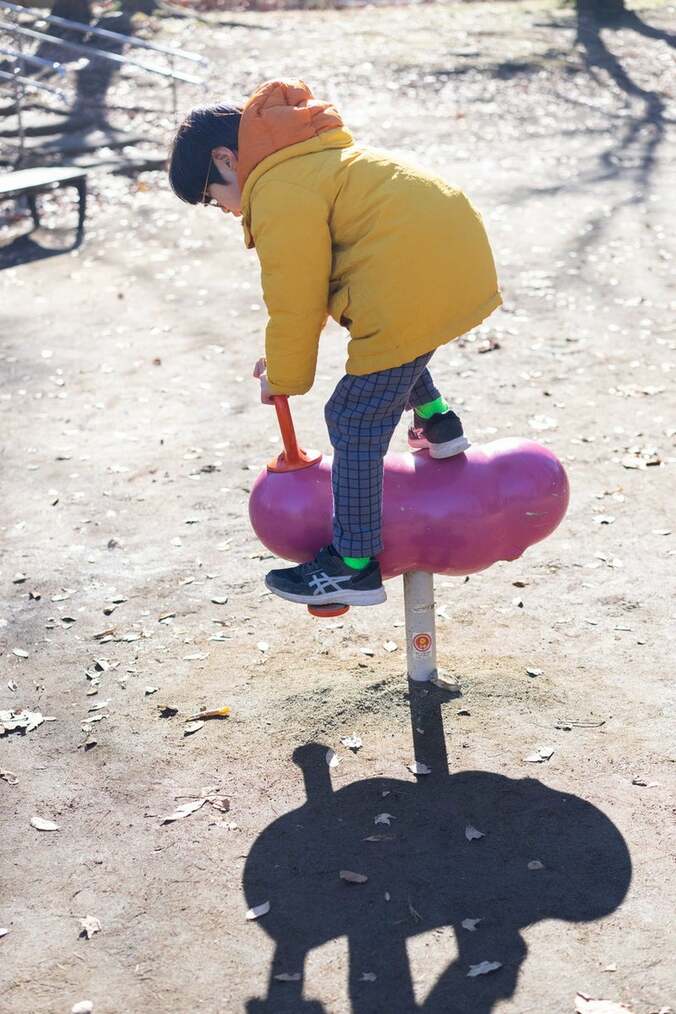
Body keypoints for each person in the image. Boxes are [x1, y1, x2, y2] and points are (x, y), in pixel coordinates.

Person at [168, 79, 501, 608]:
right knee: (382, 344)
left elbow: (296, 296)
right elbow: (327, 293)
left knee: (353, 415)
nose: (229, 211)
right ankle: (438, 422)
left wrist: (284, 377)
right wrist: (281, 356)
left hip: (409, 283)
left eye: (214, 197)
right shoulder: (314, 159)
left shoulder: (278, 188)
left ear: (226, 159)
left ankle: (353, 565)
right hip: (449, 262)